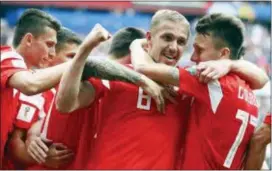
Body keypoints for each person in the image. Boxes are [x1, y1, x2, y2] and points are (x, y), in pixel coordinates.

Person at [128, 13, 268, 169]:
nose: (193, 57)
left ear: (223, 54)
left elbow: (142, 67)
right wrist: (231, 64)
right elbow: (262, 79)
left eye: (199, 50)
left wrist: (135, 43)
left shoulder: (208, 81)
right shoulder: (249, 92)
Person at [0, 8, 70, 167]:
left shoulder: (18, 80)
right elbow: (30, 85)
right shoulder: (7, 57)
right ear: (29, 40)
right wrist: (79, 62)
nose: (52, 53)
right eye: (49, 44)